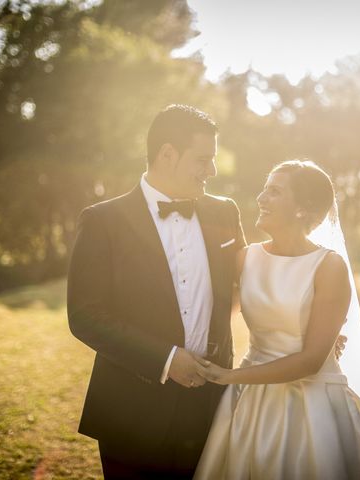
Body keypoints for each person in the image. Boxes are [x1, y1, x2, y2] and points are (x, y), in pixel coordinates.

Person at [194, 160, 360, 479]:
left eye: (275, 192)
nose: (261, 198)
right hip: (252, 404)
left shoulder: (328, 267)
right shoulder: (246, 258)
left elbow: (310, 362)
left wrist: (229, 377)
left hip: (313, 405)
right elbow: (216, 316)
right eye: (265, 189)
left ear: (302, 209)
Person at [67, 104, 246, 478]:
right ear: (167, 154)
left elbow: (253, 285)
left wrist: (310, 329)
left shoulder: (224, 212)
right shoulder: (103, 221)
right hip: (132, 410)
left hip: (213, 404)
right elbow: (85, 316)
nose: (211, 171)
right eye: (203, 159)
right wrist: (166, 359)